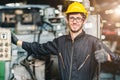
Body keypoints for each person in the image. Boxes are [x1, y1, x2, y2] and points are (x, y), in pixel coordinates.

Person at [11, 2, 120, 80]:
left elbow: (117, 60)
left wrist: (108, 57)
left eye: (78, 18)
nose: (75, 21)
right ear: (67, 20)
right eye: (72, 18)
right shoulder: (60, 42)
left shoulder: (94, 42)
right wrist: (17, 42)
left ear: (83, 21)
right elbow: (39, 48)